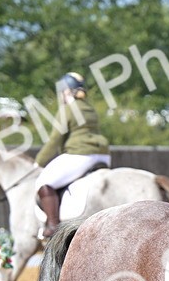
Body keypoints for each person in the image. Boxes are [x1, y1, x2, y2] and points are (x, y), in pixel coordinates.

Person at [34, 72, 111, 239]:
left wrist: (39, 161)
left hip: (81, 154)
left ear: (66, 91)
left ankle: (53, 225)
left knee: (44, 182)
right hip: (103, 155)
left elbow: (55, 139)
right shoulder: (90, 108)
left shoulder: (67, 110)